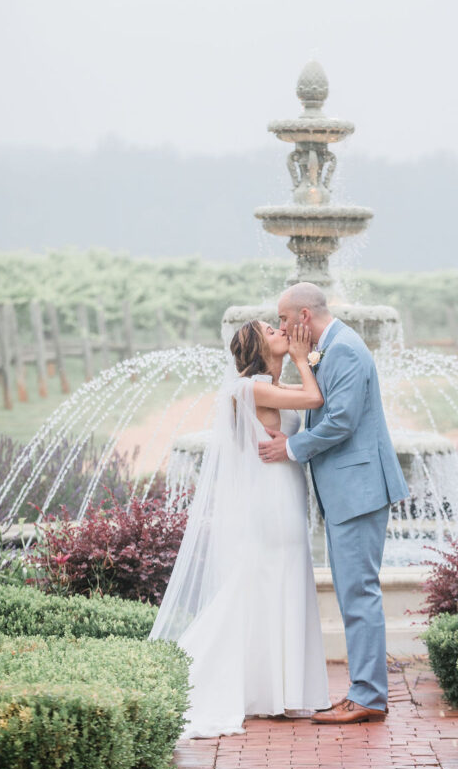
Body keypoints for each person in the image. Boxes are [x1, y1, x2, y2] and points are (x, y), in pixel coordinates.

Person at [149, 319, 330, 737]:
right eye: (270, 330)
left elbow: (309, 398)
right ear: (258, 347)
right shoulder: (251, 388)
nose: (280, 330)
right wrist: (303, 359)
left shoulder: (268, 386)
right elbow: (314, 397)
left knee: (277, 580)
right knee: (271, 579)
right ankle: (265, 690)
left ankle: (274, 691)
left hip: (283, 490)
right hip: (272, 498)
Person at [259, 282, 409, 724]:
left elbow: (341, 421)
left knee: (358, 593)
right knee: (352, 592)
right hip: (351, 490)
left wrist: (290, 448)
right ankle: (364, 691)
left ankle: (368, 697)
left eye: (284, 318)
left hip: (359, 491)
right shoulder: (330, 347)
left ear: (303, 317)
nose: (282, 326)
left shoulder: (343, 350)